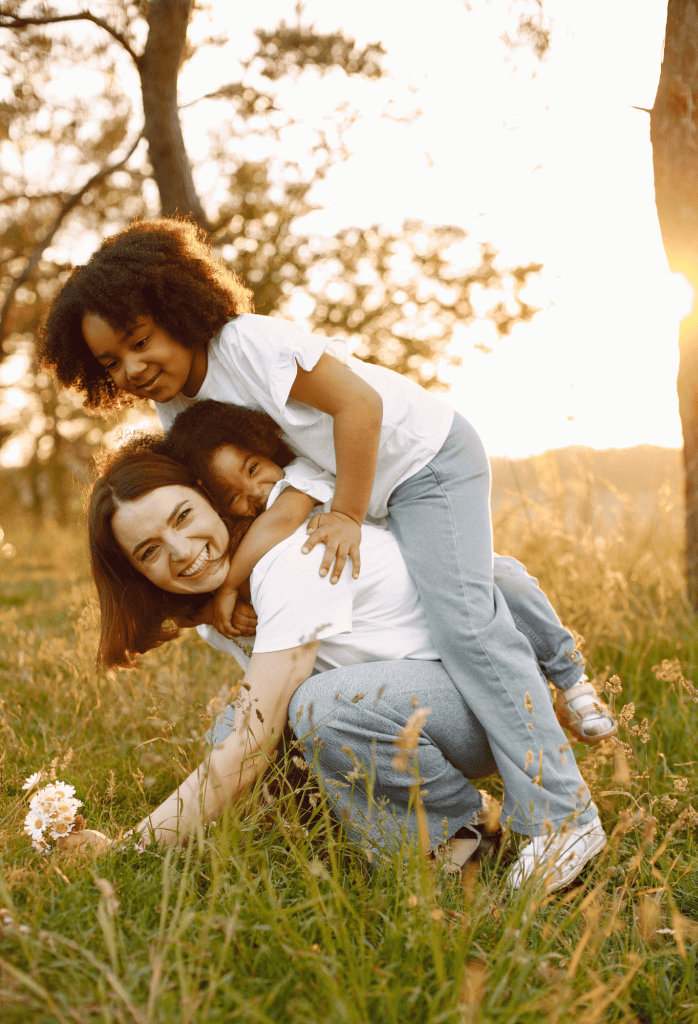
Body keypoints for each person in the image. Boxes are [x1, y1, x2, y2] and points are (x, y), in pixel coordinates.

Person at [38, 218, 616, 747]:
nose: (132, 369)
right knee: (467, 578)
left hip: (418, 459)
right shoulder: (174, 409)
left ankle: (558, 757)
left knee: (463, 623)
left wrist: (341, 516)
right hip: (343, 482)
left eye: (139, 342)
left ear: (178, 311)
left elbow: (359, 406)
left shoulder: (247, 343)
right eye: (111, 363)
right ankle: (503, 621)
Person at [82, 441, 608, 892]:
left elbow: (250, 742)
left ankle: (464, 841)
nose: (181, 551)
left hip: (489, 700)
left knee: (318, 709)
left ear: (210, 497)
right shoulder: (215, 611)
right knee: (246, 723)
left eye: (183, 516)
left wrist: (123, 851)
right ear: (134, 574)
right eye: (150, 551)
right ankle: (349, 842)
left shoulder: (292, 560)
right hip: (419, 699)